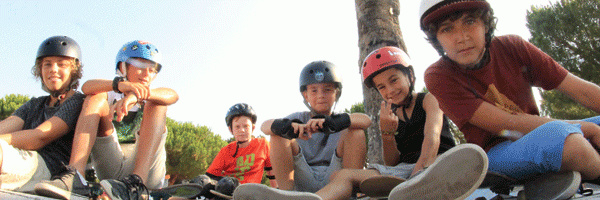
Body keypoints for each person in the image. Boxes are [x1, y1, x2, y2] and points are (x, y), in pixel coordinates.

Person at [233, 47, 488, 200]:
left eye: (394, 80)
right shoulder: (390, 113)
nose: (389, 90)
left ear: (410, 75)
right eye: (382, 87)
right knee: (340, 173)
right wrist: (288, 128)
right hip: (403, 172)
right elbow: (393, 162)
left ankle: (418, 185)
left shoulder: (429, 99)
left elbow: (431, 137)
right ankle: (290, 197)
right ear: (305, 95)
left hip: (430, 164)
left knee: (353, 138)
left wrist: (334, 123)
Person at [420, 0, 600, 199]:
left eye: (470, 21)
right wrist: (589, 129)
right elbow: (508, 124)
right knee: (568, 141)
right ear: (436, 39)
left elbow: (582, 91)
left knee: (564, 134)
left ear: (486, 24)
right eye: (447, 29)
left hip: (540, 135)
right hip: (496, 153)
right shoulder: (438, 76)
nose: (461, 37)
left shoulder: (513, 46)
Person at [35, 40, 179, 200]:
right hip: (113, 169)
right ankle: (75, 176)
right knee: (94, 98)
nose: (147, 74)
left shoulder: (155, 95)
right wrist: (120, 86)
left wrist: (134, 96)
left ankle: (137, 184)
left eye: (152, 70)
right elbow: (86, 87)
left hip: (147, 176)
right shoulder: (112, 93)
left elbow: (173, 95)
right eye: (140, 66)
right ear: (123, 67)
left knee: (158, 105)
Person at [0, 35, 85, 192]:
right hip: (24, 161)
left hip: (48, 170)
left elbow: (40, 136)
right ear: (40, 70)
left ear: (74, 71)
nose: (53, 69)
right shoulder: (35, 104)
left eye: (61, 65)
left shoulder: (78, 101)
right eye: (47, 64)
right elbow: (8, 125)